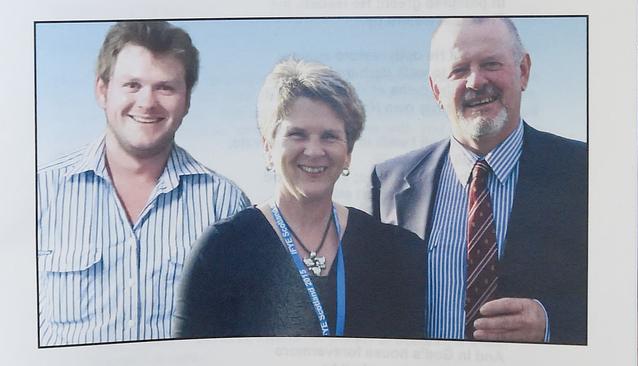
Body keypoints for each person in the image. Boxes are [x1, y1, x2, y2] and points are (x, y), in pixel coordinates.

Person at [172, 58, 425, 339]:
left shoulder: (394, 251)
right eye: (297, 135)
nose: (314, 151)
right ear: (268, 147)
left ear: (348, 153)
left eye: (330, 136)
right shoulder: (221, 249)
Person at [370, 18, 587, 344]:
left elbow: (628, 296)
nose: (475, 81)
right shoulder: (390, 183)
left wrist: (551, 323)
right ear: (435, 90)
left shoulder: (586, 171)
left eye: (491, 64)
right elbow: (375, 307)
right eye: (458, 70)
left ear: (523, 71)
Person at [37, 21, 250, 346]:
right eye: (132, 85)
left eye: (165, 87)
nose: (147, 102)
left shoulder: (225, 204)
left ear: (187, 100)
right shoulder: (41, 193)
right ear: (102, 91)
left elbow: (243, 332)